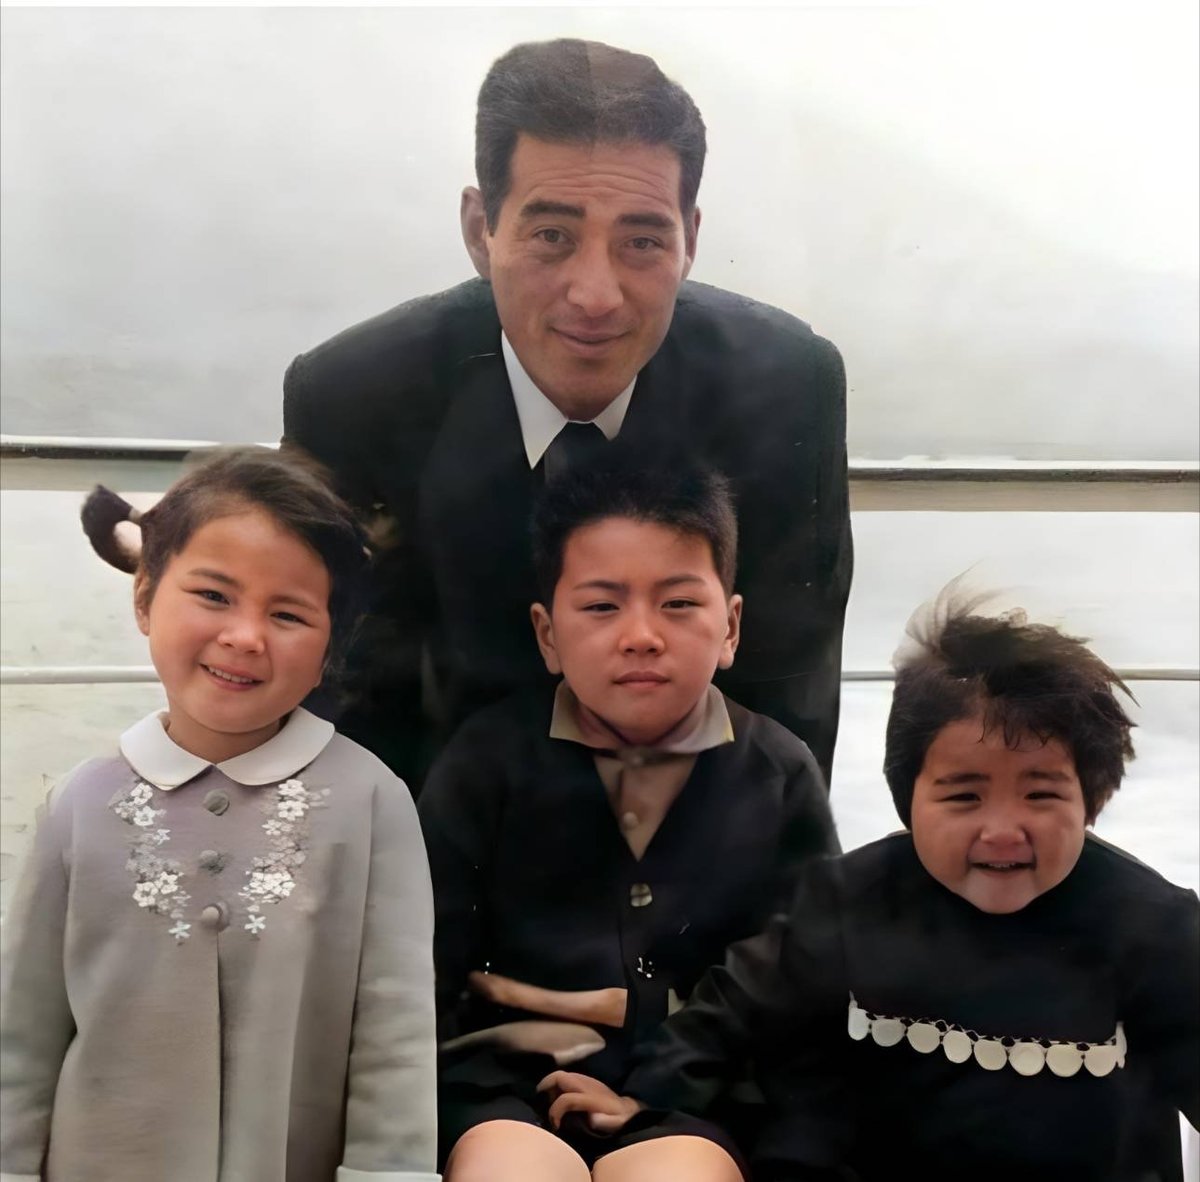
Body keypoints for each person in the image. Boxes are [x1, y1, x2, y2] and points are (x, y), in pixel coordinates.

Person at [282, 37, 852, 791]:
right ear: (480, 230)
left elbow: (788, 711)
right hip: (435, 834)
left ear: (690, 241)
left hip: (696, 836)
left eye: (642, 241)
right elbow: (347, 713)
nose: (596, 295)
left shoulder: (786, 387)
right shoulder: (355, 398)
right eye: (552, 236)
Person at [542, 591, 1200, 1180]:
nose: (1002, 830)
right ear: (907, 797)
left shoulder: (1153, 929)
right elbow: (736, 1012)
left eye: (1041, 794)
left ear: (1092, 798)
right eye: (964, 796)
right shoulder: (850, 898)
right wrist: (644, 1095)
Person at [0, 448, 439, 1182]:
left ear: (331, 643)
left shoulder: (371, 801)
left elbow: (395, 1031)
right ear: (145, 596)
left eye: (288, 613)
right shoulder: (77, 802)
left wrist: (389, 1170)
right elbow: (24, 1030)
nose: (245, 636)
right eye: (213, 595)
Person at [416, 457, 840, 1181]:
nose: (641, 635)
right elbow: (427, 957)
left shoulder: (778, 772)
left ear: (731, 627)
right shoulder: (486, 761)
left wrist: (659, 1091)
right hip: (504, 1089)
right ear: (547, 635)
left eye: (678, 603)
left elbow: (797, 975)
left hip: (697, 1101)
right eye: (601, 607)